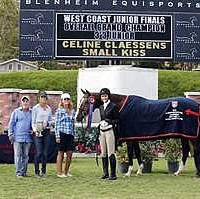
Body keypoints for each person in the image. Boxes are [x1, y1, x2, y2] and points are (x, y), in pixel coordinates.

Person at [8, 96, 32, 177]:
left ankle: (24, 172)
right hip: (17, 138)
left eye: (27, 101)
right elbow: (11, 124)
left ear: (29, 102)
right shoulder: (16, 112)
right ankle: (18, 173)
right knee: (18, 156)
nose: (25, 103)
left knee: (26, 156)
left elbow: (33, 124)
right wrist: (10, 134)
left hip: (27, 138)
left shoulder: (32, 112)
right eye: (24, 101)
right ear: (21, 102)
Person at [99, 88, 119, 180]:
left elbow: (117, 119)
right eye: (102, 96)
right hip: (102, 130)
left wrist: (109, 121)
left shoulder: (113, 106)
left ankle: (113, 174)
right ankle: (105, 172)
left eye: (105, 95)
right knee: (103, 152)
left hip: (110, 130)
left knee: (111, 152)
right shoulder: (101, 107)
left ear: (108, 96)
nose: (104, 97)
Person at [32, 91, 52, 177]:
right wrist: (35, 130)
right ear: (38, 98)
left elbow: (51, 121)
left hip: (46, 131)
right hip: (38, 131)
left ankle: (44, 171)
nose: (43, 99)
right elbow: (33, 122)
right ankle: (37, 171)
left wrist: (48, 123)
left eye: (44, 97)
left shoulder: (49, 109)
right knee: (39, 152)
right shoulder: (35, 108)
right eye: (41, 97)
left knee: (45, 153)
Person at [55, 93, 75, 178]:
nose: (66, 101)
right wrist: (57, 136)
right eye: (65, 99)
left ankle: (66, 171)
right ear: (62, 101)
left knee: (70, 153)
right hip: (62, 133)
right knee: (61, 153)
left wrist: (74, 134)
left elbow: (73, 124)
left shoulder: (72, 111)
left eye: (68, 99)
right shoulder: (59, 111)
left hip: (70, 134)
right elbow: (57, 124)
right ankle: (59, 172)